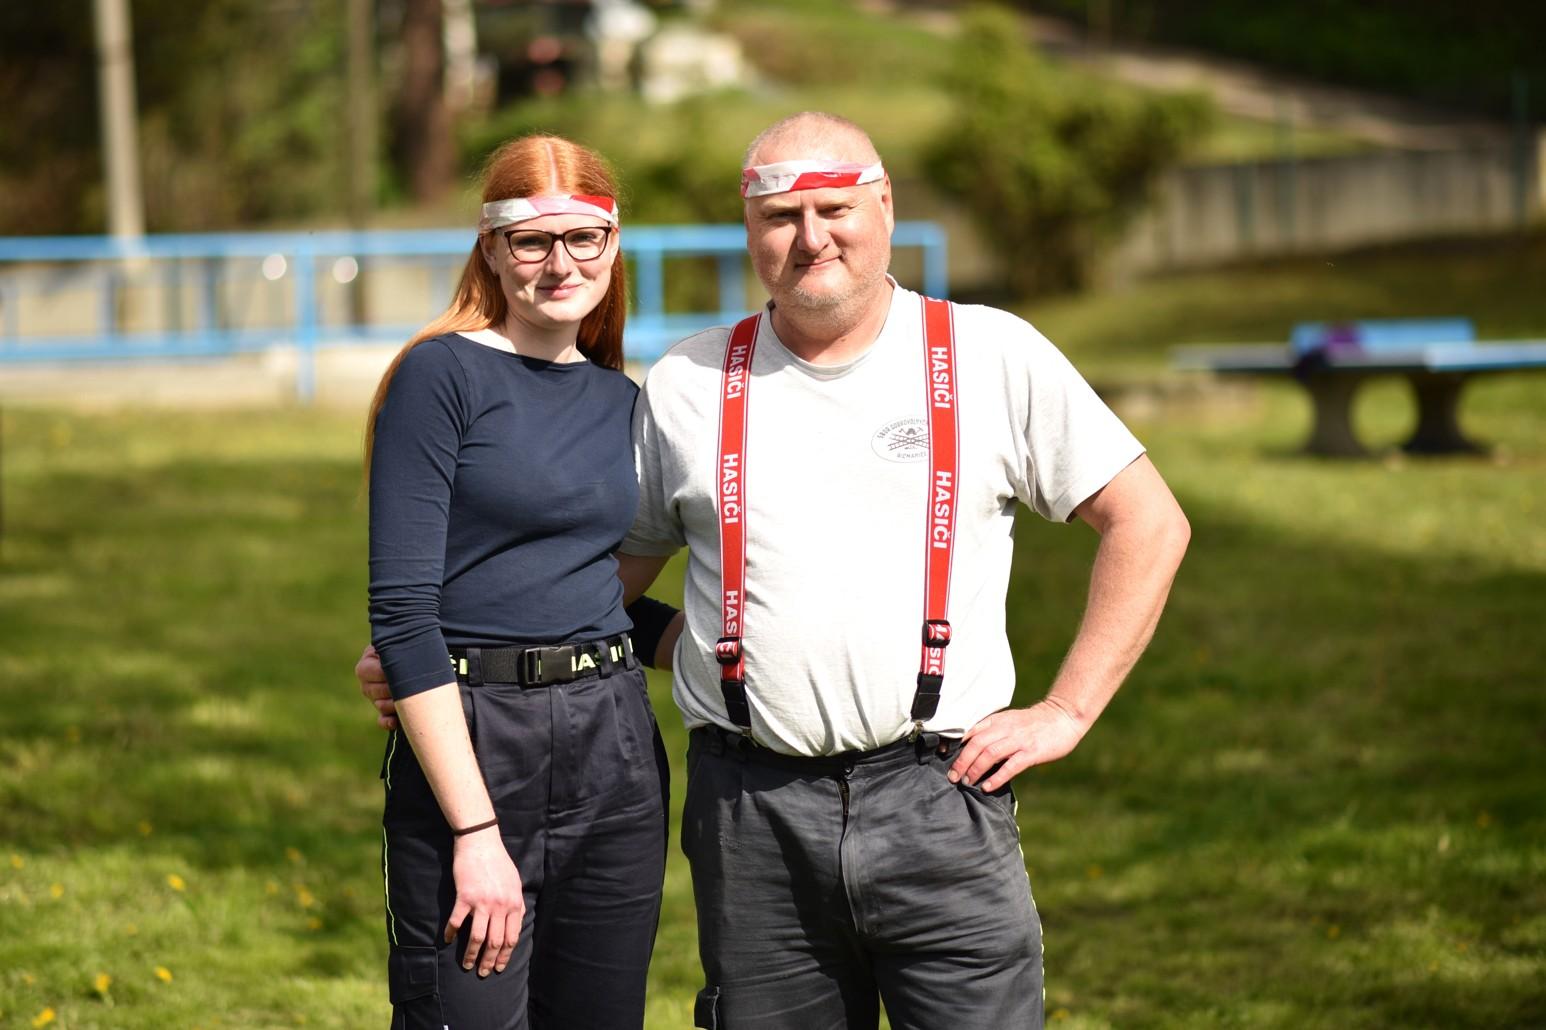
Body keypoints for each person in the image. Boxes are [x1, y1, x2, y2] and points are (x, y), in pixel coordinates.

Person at [361, 111, 1189, 1029]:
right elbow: (594, 583)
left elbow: (1149, 521)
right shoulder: (686, 384)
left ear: (884, 206)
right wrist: (436, 648)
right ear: (749, 229)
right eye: (781, 216)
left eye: (834, 208)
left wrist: (1067, 709)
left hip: (940, 797)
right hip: (749, 814)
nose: (811, 237)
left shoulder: (991, 354)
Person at [365, 133, 671, 1030]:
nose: (560, 263)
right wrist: (474, 832)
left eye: (584, 237)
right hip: (477, 743)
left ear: (613, 246)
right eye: (532, 241)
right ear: (493, 250)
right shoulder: (441, 375)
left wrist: (718, 643)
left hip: (614, 747)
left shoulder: (623, 401)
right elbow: (403, 612)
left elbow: (582, 588)